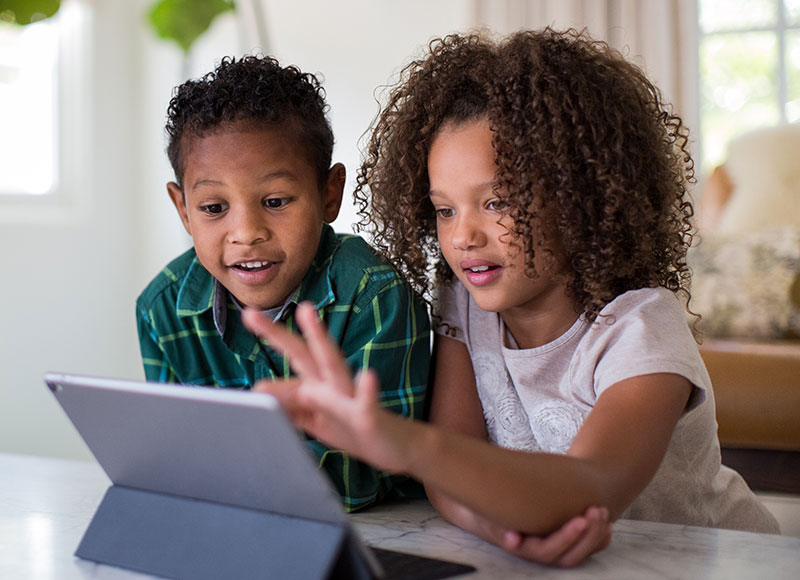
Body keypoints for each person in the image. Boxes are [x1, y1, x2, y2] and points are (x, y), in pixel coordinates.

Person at [242, 27, 781, 566]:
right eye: (445, 209)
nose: (463, 237)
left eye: (497, 202)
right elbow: (451, 484)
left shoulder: (640, 328)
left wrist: (402, 442)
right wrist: (505, 532)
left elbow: (590, 485)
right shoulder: (464, 301)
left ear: (581, 194)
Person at [135, 55, 431, 512]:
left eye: (275, 201)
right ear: (183, 209)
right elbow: (175, 455)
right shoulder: (161, 307)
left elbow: (360, 479)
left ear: (329, 194)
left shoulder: (374, 296)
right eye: (214, 208)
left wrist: (214, 474)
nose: (247, 231)